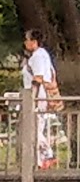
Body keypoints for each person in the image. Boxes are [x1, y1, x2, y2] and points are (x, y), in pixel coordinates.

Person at [22, 29, 61, 170]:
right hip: (42, 97)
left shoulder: (37, 57)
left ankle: (47, 154)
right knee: (38, 127)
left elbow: (38, 78)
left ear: (34, 41)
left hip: (37, 97)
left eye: (27, 39)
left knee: (33, 128)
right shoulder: (43, 55)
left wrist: (32, 97)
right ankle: (39, 160)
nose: (25, 42)